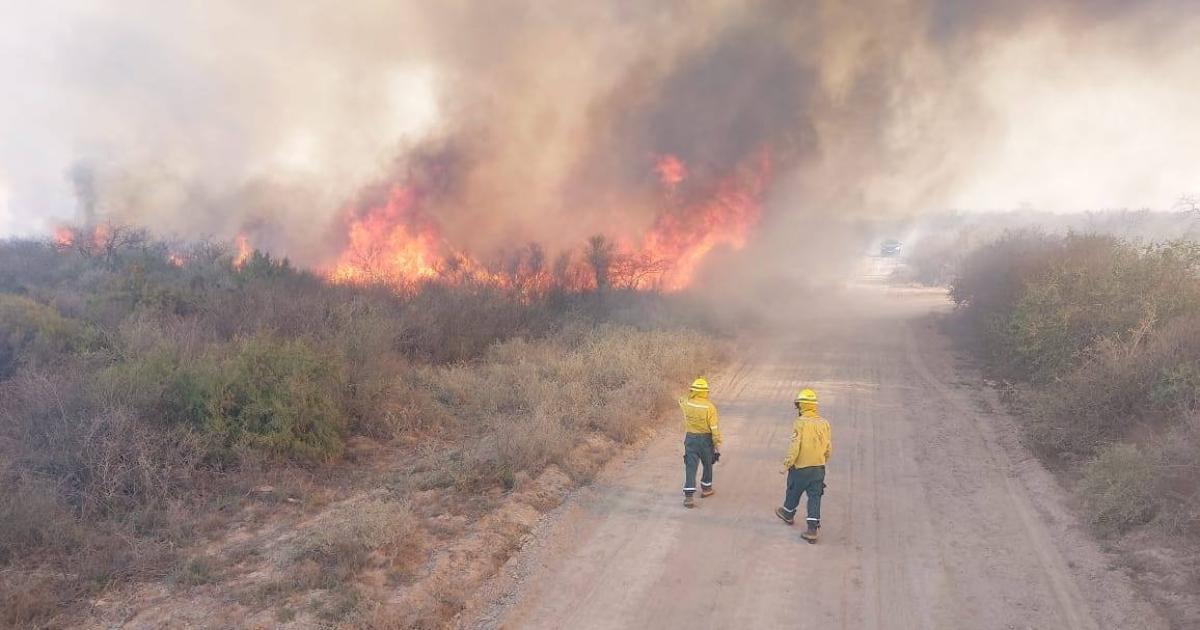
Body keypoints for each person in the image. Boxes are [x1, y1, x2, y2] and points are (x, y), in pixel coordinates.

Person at [775, 388, 831, 542]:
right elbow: (828, 447)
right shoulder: (824, 423)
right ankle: (812, 529)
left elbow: (794, 447)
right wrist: (822, 460)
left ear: (802, 405)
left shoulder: (800, 423)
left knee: (793, 490)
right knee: (815, 497)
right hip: (818, 468)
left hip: (801, 468)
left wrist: (787, 464)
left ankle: (787, 513)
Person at [679, 377, 721, 508]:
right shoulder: (710, 407)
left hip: (691, 438)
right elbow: (714, 427)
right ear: (705, 392)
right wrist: (717, 443)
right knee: (708, 463)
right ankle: (706, 488)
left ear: (693, 391)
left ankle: (689, 497)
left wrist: (691, 393)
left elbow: (681, 398)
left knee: (690, 466)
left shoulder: (686, 403)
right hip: (706, 440)